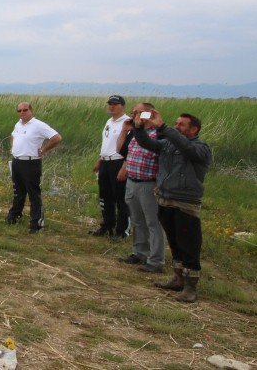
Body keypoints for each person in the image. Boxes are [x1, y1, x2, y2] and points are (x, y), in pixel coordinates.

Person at [133, 109, 212, 302]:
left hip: (185, 202)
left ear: (194, 129)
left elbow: (186, 148)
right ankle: (178, 278)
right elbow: (148, 144)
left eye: (181, 125)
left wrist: (164, 128)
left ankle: (190, 286)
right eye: (175, 123)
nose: (176, 127)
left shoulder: (201, 148)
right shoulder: (169, 143)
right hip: (166, 198)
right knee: (175, 242)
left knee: (189, 245)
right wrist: (138, 128)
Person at [116, 102, 165, 272]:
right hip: (132, 182)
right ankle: (139, 253)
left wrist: (160, 184)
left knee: (153, 223)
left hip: (149, 184)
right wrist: (125, 129)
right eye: (133, 112)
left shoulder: (160, 135)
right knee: (137, 221)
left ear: (150, 114)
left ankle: (156, 261)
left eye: (139, 113)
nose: (134, 116)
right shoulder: (136, 133)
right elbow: (121, 150)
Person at [6, 102, 62, 234]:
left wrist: (44, 149)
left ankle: (36, 222)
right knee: (18, 192)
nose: (22, 113)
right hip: (17, 161)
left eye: (25, 110)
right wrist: (13, 148)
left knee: (33, 193)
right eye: (19, 111)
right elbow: (13, 136)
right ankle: (14, 216)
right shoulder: (18, 124)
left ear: (31, 110)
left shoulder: (38, 125)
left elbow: (57, 137)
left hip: (31, 163)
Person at [91, 95, 131, 238]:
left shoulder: (127, 122)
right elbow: (106, 143)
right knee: (105, 196)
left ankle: (122, 230)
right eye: (110, 103)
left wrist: (124, 167)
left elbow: (130, 148)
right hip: (106, 161)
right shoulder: (109, 121)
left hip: (118, 161)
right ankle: (107, 225)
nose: (112, 106)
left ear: (122, 106)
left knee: (120, 198)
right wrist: (100, 160)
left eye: (115, 104)